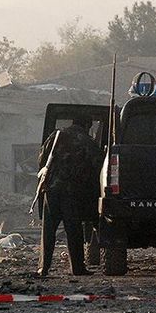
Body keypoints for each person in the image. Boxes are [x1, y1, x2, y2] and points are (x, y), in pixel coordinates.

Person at [37, 115, 103, 276]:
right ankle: (77, 268)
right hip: (72, 192)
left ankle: (43, 268)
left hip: (51, 189)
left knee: (48, 231)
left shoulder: (56, 135)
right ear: (87, 125)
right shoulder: (87, 141)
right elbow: (99, 165)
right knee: (73, 231)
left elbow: (42, 159)